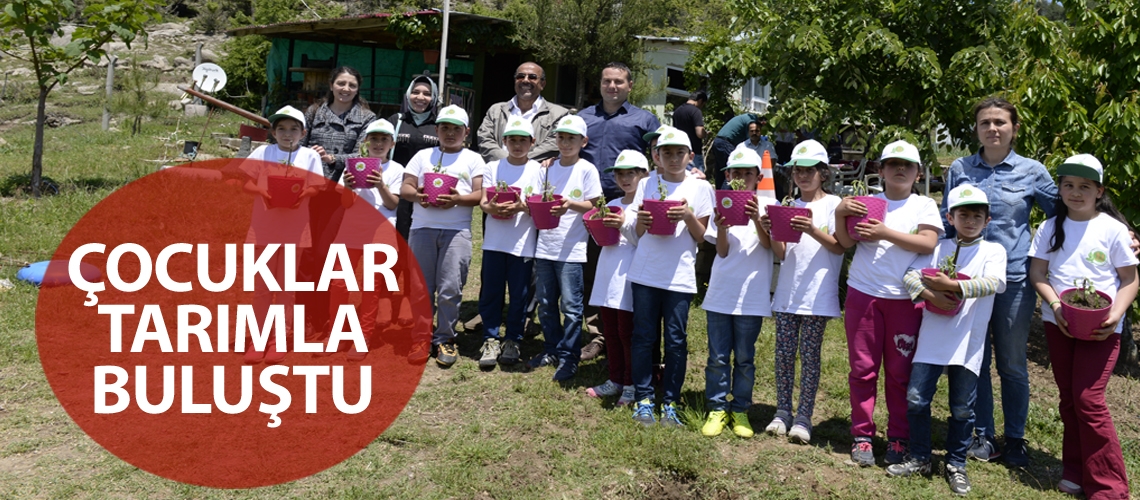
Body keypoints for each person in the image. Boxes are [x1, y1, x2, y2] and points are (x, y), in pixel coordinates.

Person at [1028, 154, 1137, 499]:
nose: (1075, 193)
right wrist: (1056, 305)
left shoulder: (1113, 230)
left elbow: (1130, 280)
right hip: (1058, 323)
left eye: (1084, 187)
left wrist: (1116, 314)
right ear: (1059, 189)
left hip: (1101, 327)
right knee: (1069, 400)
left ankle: (1109, 486)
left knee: (1088, 399)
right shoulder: (1049, 228)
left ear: (1099, 191)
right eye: (1068, 185)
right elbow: (1038, 273)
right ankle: (1075, 470)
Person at [888, 185, 1007, 496]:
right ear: (950, 218)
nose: (970, 220)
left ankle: (956, 463)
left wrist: (950, 284)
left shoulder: (993, 252)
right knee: (916, 398)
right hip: (932, 336)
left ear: (988, 220)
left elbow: (995, 282)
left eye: (977, 216)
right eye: (963, 214)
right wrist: (932, 295)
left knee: (963, 409)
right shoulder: (938, 248)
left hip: (968, 341)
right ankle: (920, 457)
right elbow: (910, 275)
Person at [835, 139, 943, 467]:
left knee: (900, 373)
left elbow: (928, 243)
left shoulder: (924, 205)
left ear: (917, 172)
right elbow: (845, 241)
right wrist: (841, 213)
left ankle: (899, 437)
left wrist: (884, 233)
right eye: (892, 164)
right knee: (863, 369)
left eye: (907, 165)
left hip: (904, 299)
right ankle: (862, 435)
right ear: (879, 170)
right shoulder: (867, 202)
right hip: (863, 294)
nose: (899, 169)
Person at [622, 127, 714, 427]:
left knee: (676, 340)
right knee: (643, 336)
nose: (673, 158)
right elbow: (634, 234)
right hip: (646, 272)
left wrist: (688, 216)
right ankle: (645, 398)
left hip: (680, 276)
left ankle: (671, 401)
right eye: (667, 153)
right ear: (657, 156)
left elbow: (702, 239)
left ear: (690, 156)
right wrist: (643, 223)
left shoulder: (701, 189)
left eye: (680, 153)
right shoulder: (647, 184)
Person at [761, 140, 845, 444]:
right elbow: (782, 253)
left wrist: (811, 229)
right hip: (787, 292)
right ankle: (782, 411)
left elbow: (840, 247)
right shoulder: (787, 205)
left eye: (810, 170)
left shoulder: (835, 205)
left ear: (823, 173)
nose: (803, 175)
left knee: (810, 357)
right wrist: (770, 229)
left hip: (818, 295)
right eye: (798, 170)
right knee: (783, 355)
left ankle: (804, 417)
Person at [578, 62, 661, 361]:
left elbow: (662, 153)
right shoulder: (583, 117)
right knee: (595, 270)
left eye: (618, 82)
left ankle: (636, 331)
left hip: (632, 206)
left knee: (632, 270)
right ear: (599, 84)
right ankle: (599, 334)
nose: (612, 87)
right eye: (607, 81)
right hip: (592, 207)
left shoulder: (645, 119)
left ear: (630, 86)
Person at [399, 105, 485, 367]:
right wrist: (419, 195)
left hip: (456, 231)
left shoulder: (473, 159)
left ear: (466, 132)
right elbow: (405, 188)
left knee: (450, 288)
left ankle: (445, 337)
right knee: (422, 288)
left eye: (456, 129)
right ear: (436, 130)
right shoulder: (423, 156)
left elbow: (480, 195)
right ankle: (421, 336)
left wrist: (458, 199)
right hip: (422, 228)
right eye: (445, 128)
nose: (450, 133)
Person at [699, 147, 773, 439]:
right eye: (736, 173)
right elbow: (722, 251)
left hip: (752, 296)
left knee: (744, 357)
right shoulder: (723, 203)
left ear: (758, 176)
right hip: (721, 291)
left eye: (748, 173)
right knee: (717, 356)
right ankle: (716, 408)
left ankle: (740, 408)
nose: (741, 178)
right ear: (727, 176)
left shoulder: (770, 206)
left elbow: (769, 246)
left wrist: (756, 218)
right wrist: (720, 228)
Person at [299, 66, 377, 340]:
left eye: (352, 85)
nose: (346, 89)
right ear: (331, 84)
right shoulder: (314, 112)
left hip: (342, 193)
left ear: (358, 89)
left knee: (327, 255)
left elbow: (363, 154)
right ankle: (307, 318)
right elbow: (299, 142)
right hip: (308, 192)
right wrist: (310, 152)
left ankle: (326, 316)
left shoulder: (366, 118)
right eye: (341, 83)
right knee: (306, 255)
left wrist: (333, 158)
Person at [241, 105, 323, 364]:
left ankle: (280, 339)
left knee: (287, 289)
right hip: (263, 229)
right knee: (262, 288)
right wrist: (262, 192)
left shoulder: (310, 156)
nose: (288, 134)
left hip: (294, 232)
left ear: (303, 132)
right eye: (282, 129)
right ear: (273, 132)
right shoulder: (263, 152)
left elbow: (317, 186)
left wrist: (302, 195)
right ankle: (258, 339)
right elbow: (246, 181)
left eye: (294, 129)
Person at [525, 115, 602, 381]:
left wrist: (571, 204)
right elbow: (535, 198)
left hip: (572, 250)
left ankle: (569, 357)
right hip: (545, 246)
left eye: (572, 138)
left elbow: (595, 205)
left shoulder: (587, 170)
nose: (566, 143)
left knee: (571, 306)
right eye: (561, 137)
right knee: (546, 304)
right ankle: (552, 349)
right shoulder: (545, 168)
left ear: (584, 141)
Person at [329, 118, 406, 361]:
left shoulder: (396, 169)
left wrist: (380, 184)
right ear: (366, 141)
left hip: (380, 231)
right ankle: (338, 334)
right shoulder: (352, 165)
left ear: (392, 143)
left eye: (384, 139)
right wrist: (349, 187)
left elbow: (393, 204)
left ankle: (362, 337)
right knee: (339, 284)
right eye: (374, 138)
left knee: (369, 287)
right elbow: (344, 203)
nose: (379, 143)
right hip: (350, 229)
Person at [477, 118, 542, 368]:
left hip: (522, 243)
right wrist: (491, 206)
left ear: (532, 143)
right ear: (504, 141)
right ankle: (491, 338)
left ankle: (513, 338)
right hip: (494, 241)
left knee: (520, 294)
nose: (517, 145)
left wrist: (521, 206)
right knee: (491, 291)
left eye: (522, 140)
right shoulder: (493, 166)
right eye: (512, 140)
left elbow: (538, 204)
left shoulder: (538, 169)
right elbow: (484, 201)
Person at [585, 150, 648, 405]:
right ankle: (615, 379)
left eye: (630, 173)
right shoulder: (612, 203)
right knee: (609, 329)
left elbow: (641, 240)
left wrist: (622, 224)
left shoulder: (644, 206)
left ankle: (632, 382)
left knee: (627, 332)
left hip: (630, 274)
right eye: (620, 174)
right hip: (608, 269)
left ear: (644, 175)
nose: (624, 179)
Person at [476, 62, 569, 163]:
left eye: (532, 77)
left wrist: (517, 162)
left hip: (535, 175)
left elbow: (552, 145)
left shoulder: (559, 114)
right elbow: (484, 139)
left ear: (542, 84)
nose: (525, 80)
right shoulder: (496, 110)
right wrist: (505, 162)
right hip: (497, 172)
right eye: (520, 76)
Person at [389, 75, 442, 241]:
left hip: (428, 191)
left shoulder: (439, 125)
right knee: (397, 235)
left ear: (433, 97)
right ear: (407, 95)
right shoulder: (396, 121)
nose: (420, 97)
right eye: (415, 92)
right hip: (397, 189)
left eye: (426, 94)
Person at [709, 112, 757, 189]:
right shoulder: (752, 120)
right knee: (732, 169)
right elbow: (750, 141)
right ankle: (725, 197)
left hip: (718, 141)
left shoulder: (744, 118)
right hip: (726, 142)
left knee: (721, 171)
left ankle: (719, 196)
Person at [671, 91, 707, 172]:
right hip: (694, 152)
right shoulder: (695, 111)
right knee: (697, 178)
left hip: (680, 151)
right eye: (703, 105)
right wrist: (705, 134)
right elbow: (699, 133)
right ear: (700, 101)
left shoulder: (677, 111)